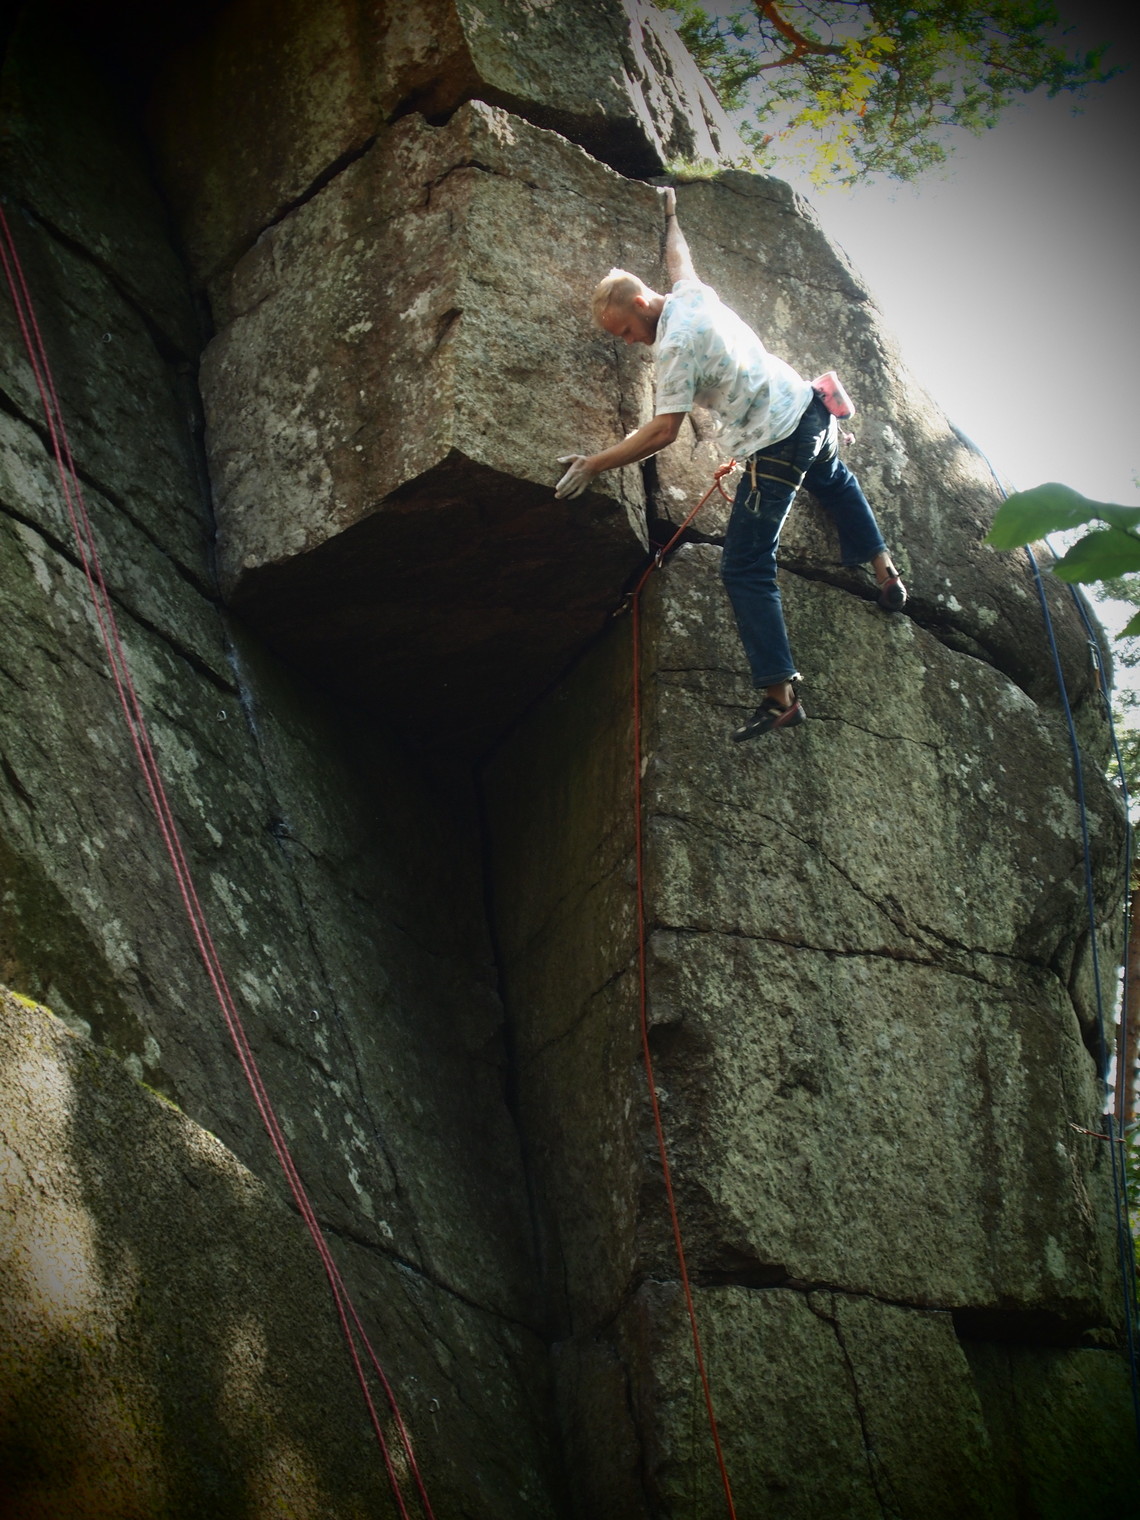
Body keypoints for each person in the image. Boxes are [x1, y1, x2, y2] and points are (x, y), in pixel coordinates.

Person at [555, 187, 907, 743]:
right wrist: (671, 215)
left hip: (776, 442)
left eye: (625, 331)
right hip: (811, 411)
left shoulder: (675, 346)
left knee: (744, 565)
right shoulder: (690, 295)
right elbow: (680, 257)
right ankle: (886, 571)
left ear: (641, 304)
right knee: (835, 479)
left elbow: (663, 431)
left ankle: (779, 697)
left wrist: (595, 464)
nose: (630, 343)